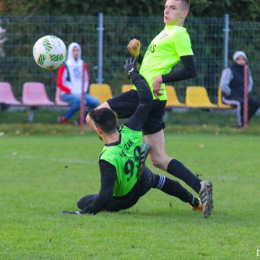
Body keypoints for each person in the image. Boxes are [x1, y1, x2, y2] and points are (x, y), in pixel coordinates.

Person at [86, 0, 213, 211]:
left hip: (144, 94)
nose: (166, 10)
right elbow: (153, 66)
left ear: (184, 13)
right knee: (159, 159)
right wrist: (139, 56)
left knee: (94, 116)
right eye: (165, 6)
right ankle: (200, 185)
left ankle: (126, 152)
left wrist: (161, 78)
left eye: (173, 7)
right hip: (156, 97)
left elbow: (191, 70)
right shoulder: (166, 31)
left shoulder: (179, 34)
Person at [62, 57, 213, 218]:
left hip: (126, 198)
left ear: (99, 131)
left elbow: (105, 197)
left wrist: (81, 213)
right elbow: (146, 99)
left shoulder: (107, 157)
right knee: (158, 180)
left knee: (83, 202)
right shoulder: (130, 129)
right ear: (116, 121)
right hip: (144, 180)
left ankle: (135, 170)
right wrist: (133, 73)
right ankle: (194, 202)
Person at [57, 42, 100, 124]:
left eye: (77, 50)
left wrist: (83, 90)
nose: (76, 52)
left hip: (82, 93)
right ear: (70, 52)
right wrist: (70, 90)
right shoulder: (65, 65)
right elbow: (59, 83)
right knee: (81, 101)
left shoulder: (82, 64)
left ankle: (82, 120)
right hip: (67, 94)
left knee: (96, 102)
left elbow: (87, 80)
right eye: (73, 50)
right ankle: (64, 118)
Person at [219, 51, 260, 127]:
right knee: (240, 103)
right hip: (229, 97)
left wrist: (245, 92)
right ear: (235, 60)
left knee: (256, 103)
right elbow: (223, 85)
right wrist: (231, 92)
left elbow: (250, 83)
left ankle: (244, 121)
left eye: (243, 59)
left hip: (242, 96)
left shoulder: (246, 70)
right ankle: (240, 125)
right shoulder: (229, 70)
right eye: (239, 59)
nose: (241, 61)